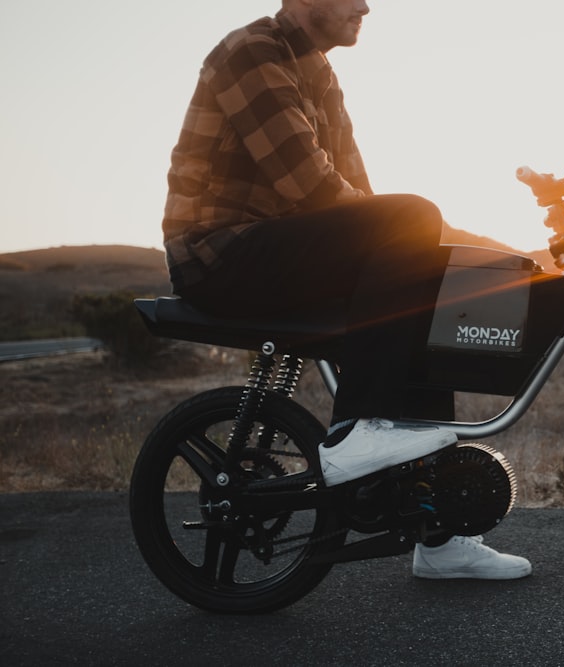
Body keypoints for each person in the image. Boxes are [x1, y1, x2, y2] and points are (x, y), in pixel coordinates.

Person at [161, 0, 530, 580]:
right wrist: (414, 224)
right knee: (411, 218)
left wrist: (491, 250)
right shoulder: (251, 51)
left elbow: (364, 205)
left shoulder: (321, 75)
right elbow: (310, 187)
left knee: (421, 286)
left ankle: (439, 538)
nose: (366, 6)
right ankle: (359, 429)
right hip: (220, 253)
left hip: (279, 250)